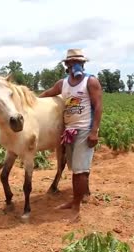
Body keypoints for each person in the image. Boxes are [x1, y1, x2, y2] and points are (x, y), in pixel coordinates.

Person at [39, 49, 103, 223]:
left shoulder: (91, 82)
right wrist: (30, 101)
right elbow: (47, 94)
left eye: (78, 61)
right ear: (66, 65)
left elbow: (98, 107)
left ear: (83, 64)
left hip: (85, 130)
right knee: (74, 168)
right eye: (71, 61)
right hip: (69, 131)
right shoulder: (63, 84)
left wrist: (94, 131)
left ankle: (76, 206)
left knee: (80, 171)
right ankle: (74, 200)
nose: (75, 64)